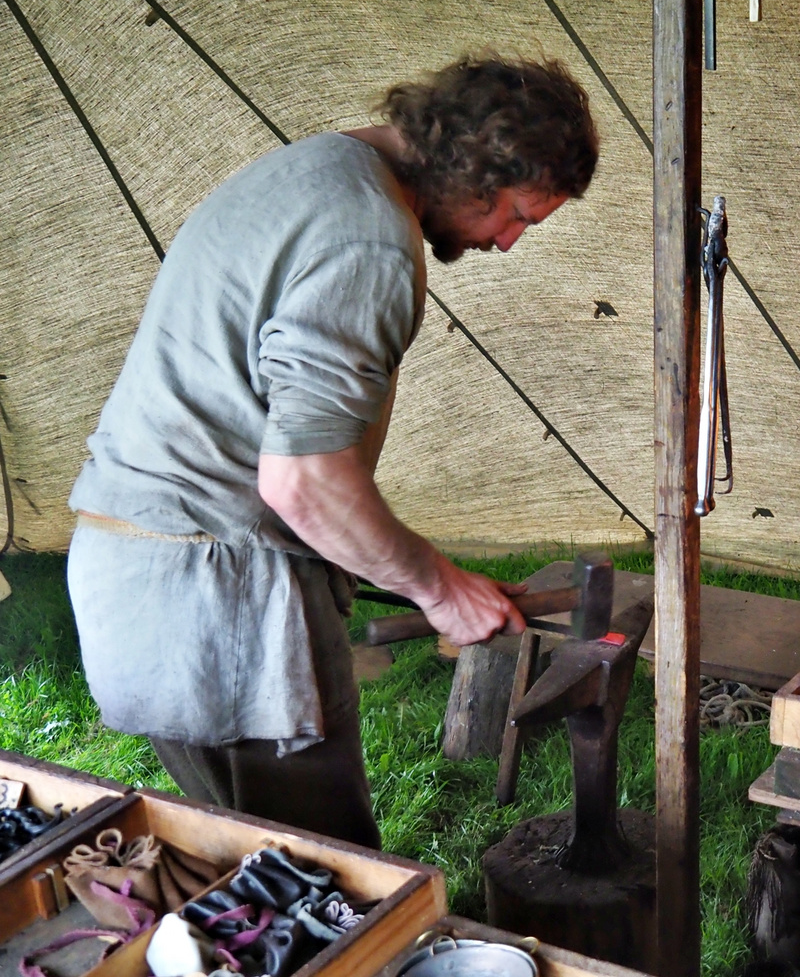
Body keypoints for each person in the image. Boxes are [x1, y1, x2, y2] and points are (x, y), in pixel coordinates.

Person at [66, 53, 599, 848]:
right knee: (331, 883)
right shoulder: (371, 240)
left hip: (135, 577)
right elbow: (304, 481)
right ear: (475, 171)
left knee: (238, 868)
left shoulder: (310, 167)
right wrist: (439, 590)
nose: (511, 243)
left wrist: (434, 577)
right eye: (518, 214)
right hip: (220, 601)